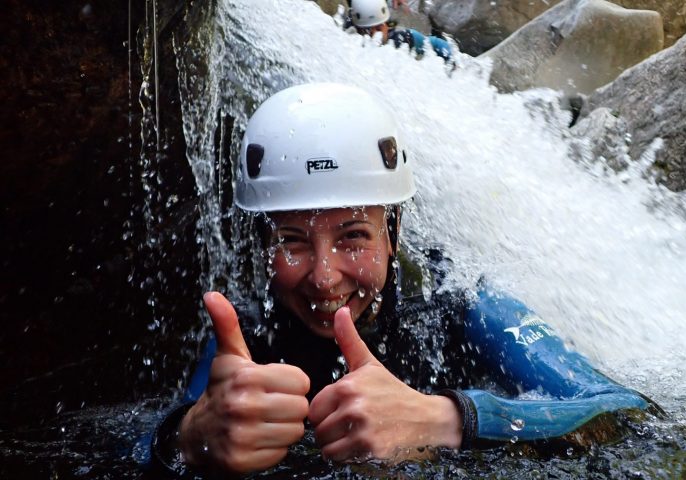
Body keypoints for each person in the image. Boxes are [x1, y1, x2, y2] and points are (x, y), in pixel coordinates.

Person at [149, 83, 659, 476]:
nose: (325, 279)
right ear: (262, 246)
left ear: (393, 231)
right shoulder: (244, 333)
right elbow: (145, 441)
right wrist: (190, 438)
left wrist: (451, 420)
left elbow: (632, 414)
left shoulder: (459, 305)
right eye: (292, 241)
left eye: (353, 236)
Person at [347, 0, 453, 62]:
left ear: (386, 25)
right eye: (368, 31)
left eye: (378, 28)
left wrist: (450, 63)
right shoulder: (350, 41)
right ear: (359, 30)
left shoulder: (402, 38)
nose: (375, 35)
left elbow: (437, 44)